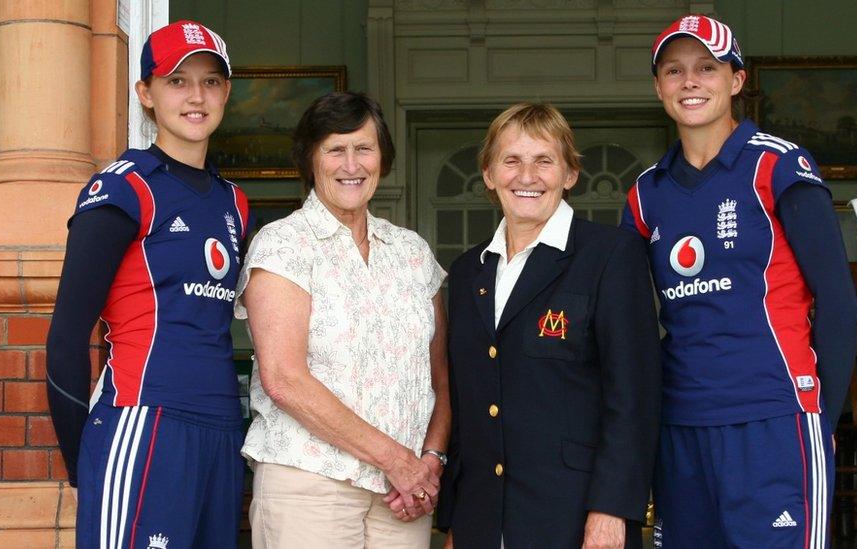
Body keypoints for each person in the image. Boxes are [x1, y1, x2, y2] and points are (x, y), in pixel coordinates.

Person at [620, 15, 857, 548]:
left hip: (774, 416)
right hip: (680, 424)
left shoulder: (779, 165)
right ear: (658, 86)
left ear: (736, 80)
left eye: (707, 68)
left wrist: (824, 418)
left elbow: (840, 304)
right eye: (674, 70)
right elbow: (629, 322)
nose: (690, 82)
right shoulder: (645, 194)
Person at [46, 20, 250, 547]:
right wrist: (85, 462)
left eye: (210, 81)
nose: (196, 97)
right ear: (146, 94)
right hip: (143, 422)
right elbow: (67, 338)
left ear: (226, 92)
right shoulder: (123, 187)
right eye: (177, 82)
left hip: (222, 427)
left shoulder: (234, 202)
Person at [437, 103, 662, 549]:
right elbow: (467, 403)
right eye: (511, 161)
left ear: (569, 174)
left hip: (576, 516)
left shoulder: (611, 255)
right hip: (482, 518)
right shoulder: (467, 273)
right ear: (488, 174)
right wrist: (456, 519)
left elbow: (634, 396)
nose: (527, 176)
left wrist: (613, 510)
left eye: (544, 160)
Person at [236, 91, 450, 549]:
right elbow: (284, 380)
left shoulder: (412, 252)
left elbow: (439, 377)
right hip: (311, 486)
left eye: (364, 148)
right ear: (311, 159)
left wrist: (430, 458)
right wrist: (398, 460)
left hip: (402, 496)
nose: (351, 164)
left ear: (382, 158)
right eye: (335, 149)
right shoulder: (284, 245)